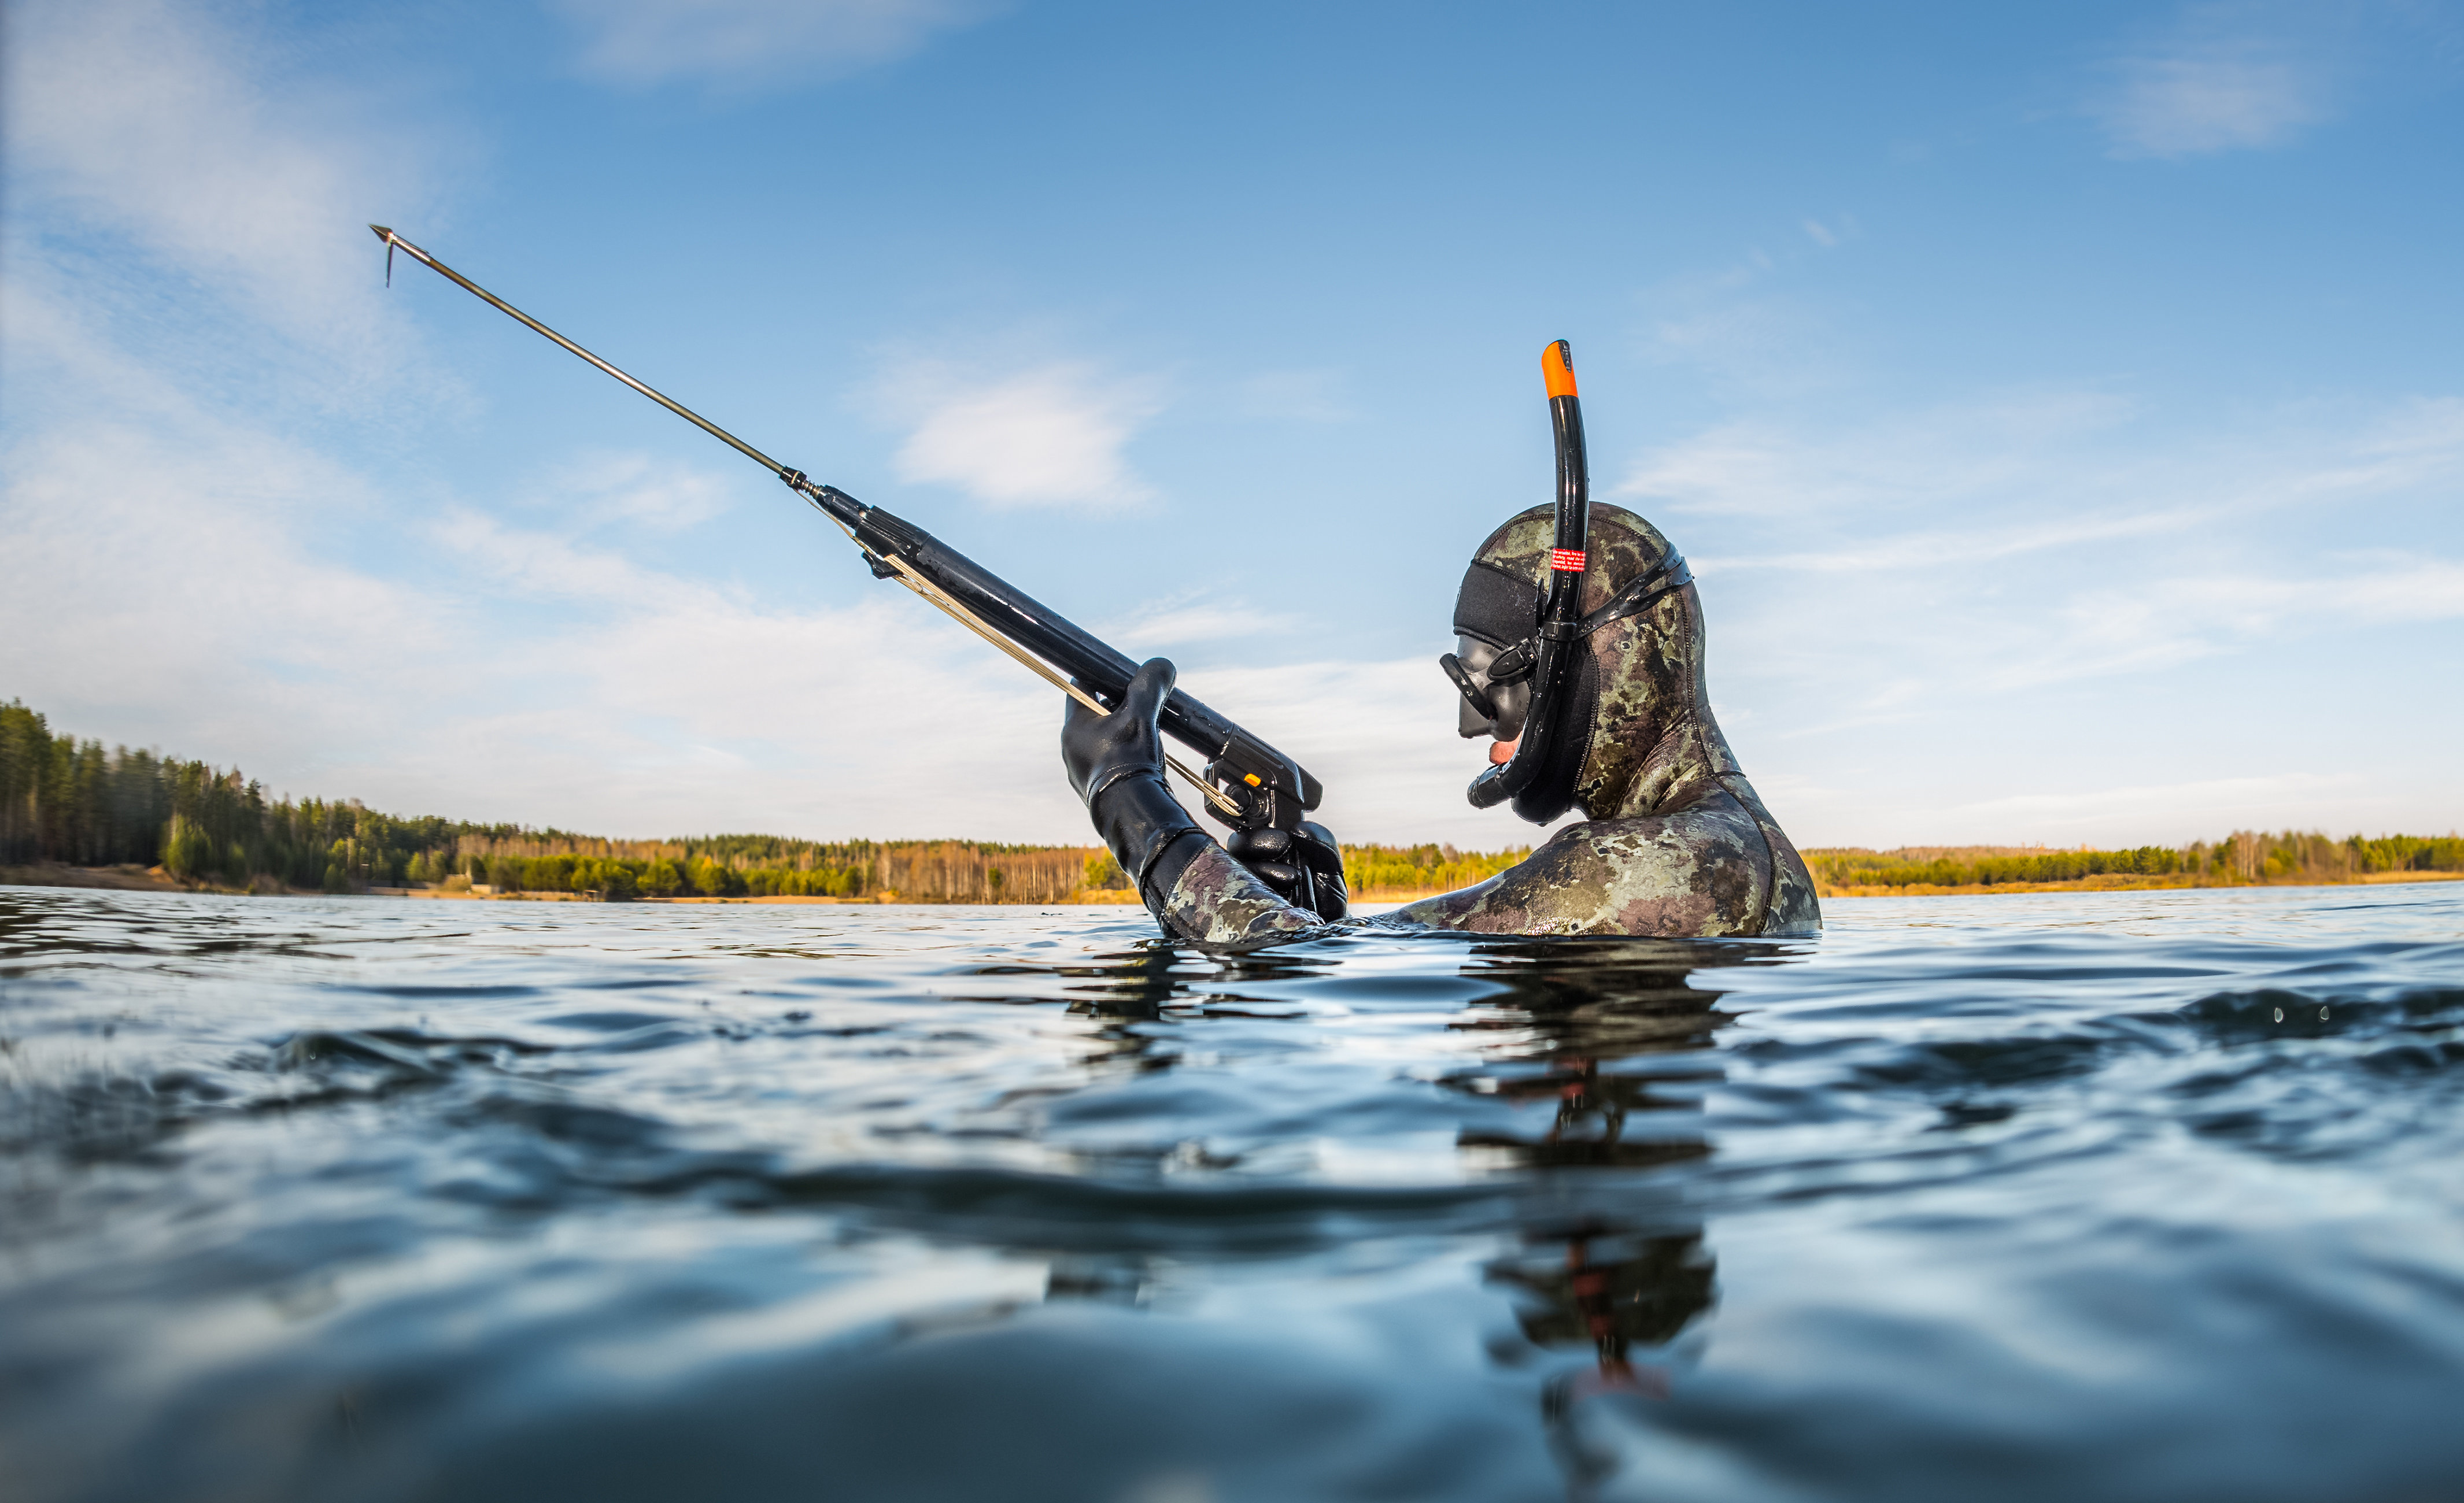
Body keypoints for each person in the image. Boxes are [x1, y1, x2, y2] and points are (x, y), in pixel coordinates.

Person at [1061, 499, 1820, 947]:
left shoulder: (1644, 860)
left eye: (1489, 682)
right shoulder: (1721, 840)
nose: (1468, 725)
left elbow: (1293, 964)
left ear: (1598, 663)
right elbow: (1337, 957)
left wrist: (1135, 808)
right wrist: (1312, 906)